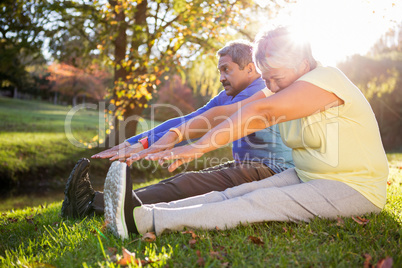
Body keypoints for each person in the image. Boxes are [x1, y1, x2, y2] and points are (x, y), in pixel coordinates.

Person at [103, 26, 389, 239]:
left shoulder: (326, 80)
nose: (271, 87)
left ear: (302, 65)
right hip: (309, 175)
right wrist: (176, 135)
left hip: (354, 188)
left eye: (276, 78)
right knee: (236, 192)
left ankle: (144, 222)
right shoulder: (282, 84)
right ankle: (137, 211)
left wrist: (197, 148)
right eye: (266, 78)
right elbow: (220, 114)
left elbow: (259, 113)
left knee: (259, 202)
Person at [61, 39, 294, 219]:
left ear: (251, 69)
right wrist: (136, 140)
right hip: (249, 167)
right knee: (187, 180)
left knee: (190, 184)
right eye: (219, 71)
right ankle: (97, 202)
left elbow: (211, 120)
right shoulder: (227, 96)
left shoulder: (263, 89)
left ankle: (93, 205)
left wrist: (153, 143)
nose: (221, 77)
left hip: (274, 170)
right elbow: (190, 119)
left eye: (226, 70)